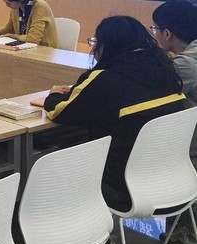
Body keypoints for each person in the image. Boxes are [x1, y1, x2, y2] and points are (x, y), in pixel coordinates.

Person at [44, 15, 186, 212]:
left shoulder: (107, 78)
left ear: (106, 46)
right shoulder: (165, 70)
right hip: (175, 184)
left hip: (122, 189)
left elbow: (60, 112)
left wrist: (53, 95)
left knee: (54, 168)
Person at [150, 0, 197, 244]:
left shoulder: (185, 64)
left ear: (167, 34)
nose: (153, 33)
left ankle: (184, 234)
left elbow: (151, 91)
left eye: (154, 29)